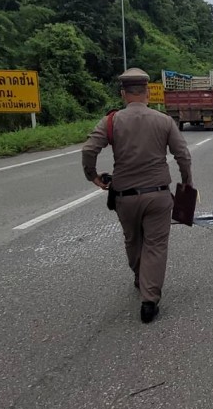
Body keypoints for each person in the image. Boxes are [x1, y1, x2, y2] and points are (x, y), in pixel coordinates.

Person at [82, 69, 193, 323]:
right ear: (148, 92)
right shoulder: (164, 121)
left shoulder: (110, 121)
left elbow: (89, 149)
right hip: (158, 196)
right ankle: (149, 300)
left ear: (123, 93)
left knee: (133, 240)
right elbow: (183, 155)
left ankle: (139, 276)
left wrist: (93, 176)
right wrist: (187, 182)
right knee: (155, 244)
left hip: (125, 196)